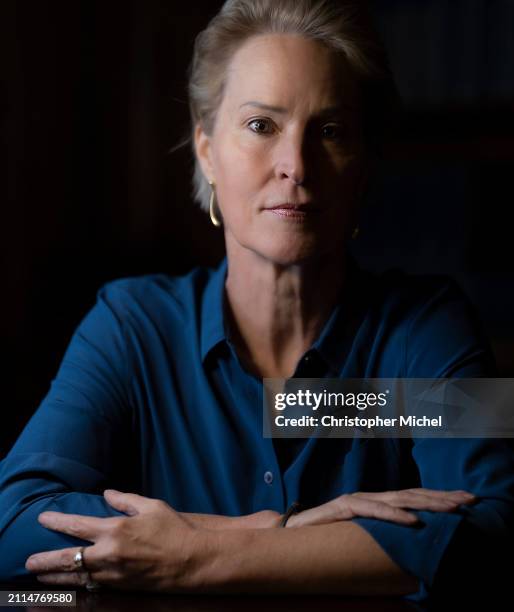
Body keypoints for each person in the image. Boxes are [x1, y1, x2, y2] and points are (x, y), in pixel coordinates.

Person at [0, 0, 512, 604]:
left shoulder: (423, 327)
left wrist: (193, 558)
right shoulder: (133, 324)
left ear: (365, 168)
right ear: (207, 151)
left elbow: (493, 534)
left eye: (329, 131)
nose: (295, 166)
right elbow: (15, 525)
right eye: (261, 125)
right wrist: (280, 532)